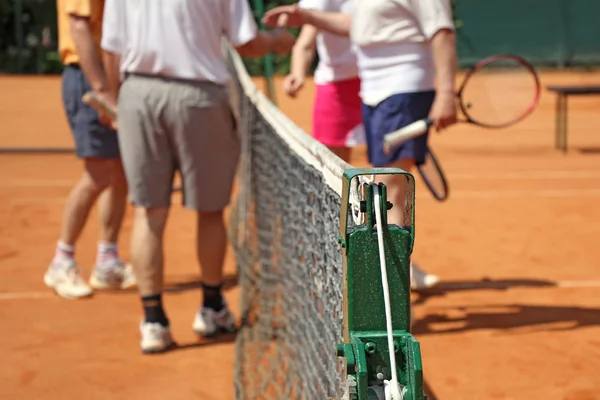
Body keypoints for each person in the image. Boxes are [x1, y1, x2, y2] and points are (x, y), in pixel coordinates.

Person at [100, 0, 295, 353]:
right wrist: (278, 41)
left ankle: (154, 321)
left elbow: (112, 49)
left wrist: (118, 102)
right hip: (199, 97)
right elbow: (247, 43)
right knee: (210, 209)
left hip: (138, 94)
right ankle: (211, 307)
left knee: (149, 212)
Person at [272, 0, 454, 289]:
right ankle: (388, 281)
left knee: (388, 191)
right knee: (366, 188)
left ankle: (393, 299)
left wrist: (446, 92)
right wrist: (306, 15)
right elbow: (356, 26)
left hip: (403, 88)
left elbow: (441, 30)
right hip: (373, 93)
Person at [44, 0, 135, 300]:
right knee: (98, 172)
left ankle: (107, 262)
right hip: (90, 76)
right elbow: (79, 27)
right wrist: (103, 89)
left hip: (114, 76)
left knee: (120, 169)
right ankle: (62, 260)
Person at [284, 0, 364, 162]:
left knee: (388, 161)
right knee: (334, 166)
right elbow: (305, 44)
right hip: (335, 88)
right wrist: (297, 73)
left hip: (378, 84)